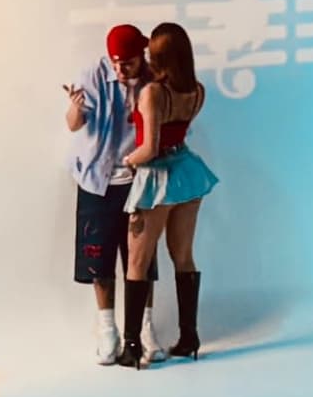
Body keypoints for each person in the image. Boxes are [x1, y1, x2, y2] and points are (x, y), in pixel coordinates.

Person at [118, 21, 220, 366]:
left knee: (137, 262)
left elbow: (150, 148)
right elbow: (177, 134)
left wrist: (127, 160)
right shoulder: (198, 90)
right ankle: (188, 336)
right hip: (188, 173)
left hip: (157, 176)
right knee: (183, 256)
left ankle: (131, 346)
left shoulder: (153, 93)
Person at [62, 24, 149, 366]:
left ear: (140, 56)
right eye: (115, 63)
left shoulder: (152, 81)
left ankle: (142, 329)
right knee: (99, 261)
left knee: (140, 260)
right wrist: (77, 108)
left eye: (126, 63)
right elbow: (73, 124)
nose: (120, 70)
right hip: (97, 180)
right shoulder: (94, 75)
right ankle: (107, 328)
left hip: (139, 180)